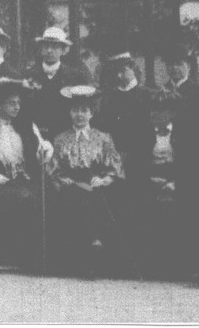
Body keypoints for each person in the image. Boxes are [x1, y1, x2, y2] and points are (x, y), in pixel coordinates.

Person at [45, 85, 131, 276]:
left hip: (97, 184)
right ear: (69, 113)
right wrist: (66, 180)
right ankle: (88, 248)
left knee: (95, 198)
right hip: (70, 185)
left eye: (84, 110)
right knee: (77, 198)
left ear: (92, 113)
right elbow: (53, 169)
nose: (79, 115)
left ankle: (97, 251)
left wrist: (104, 179)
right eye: (75, 110)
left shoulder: (103, 138)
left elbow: (115, 167)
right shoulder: (60, 139)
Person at [0, 78, 53, 271]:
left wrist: (45, 151)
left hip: (26, 177)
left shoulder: (26, 124)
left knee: (40, 195)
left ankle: (33, 256)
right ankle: (0, 253)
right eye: (11, 103)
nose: (17, 107)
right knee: (12, 198)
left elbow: (40, 146)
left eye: (18, 103)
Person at [163, 49, 199, 268]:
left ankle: (191, 260)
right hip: (165, 154)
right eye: (171, 64)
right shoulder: (161, 90)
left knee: (190, 207)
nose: (175, 68)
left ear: (189, 66)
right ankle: (169, 258)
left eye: (179, 63)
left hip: (191, 156)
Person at [97, 52, 156, 199]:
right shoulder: (108, 98)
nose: (119, 76)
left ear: (133, 68)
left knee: (140, 195)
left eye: (123, 70)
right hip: (116, 157)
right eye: (116, 72)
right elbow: (104, 128)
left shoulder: (148, 95)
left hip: (142, 156)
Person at [22, 27, 91, 141]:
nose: (49, 50)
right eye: (46, 46)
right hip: (36, 137)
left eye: (54, 47)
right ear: (41, 49)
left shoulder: (75, 76)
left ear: (63, 50)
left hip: (67, 136)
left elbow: (83, 108)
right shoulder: (29, 75)